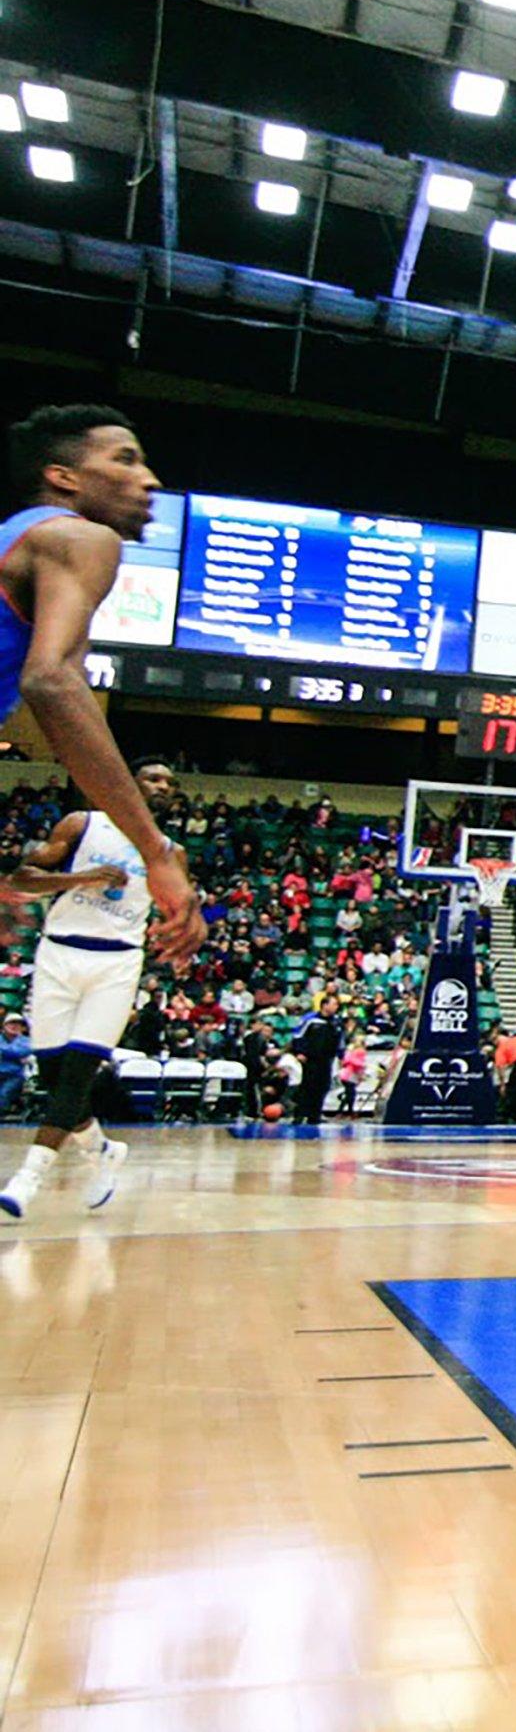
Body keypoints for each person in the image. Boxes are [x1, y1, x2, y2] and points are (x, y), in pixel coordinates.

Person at [0, 410, 200, 964]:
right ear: (64, 477)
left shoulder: (20, 537)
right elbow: (51, 680)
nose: (150, 480)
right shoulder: (80, 537)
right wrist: (154, 850)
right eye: (125, 459)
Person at [0, 756, 182, 1220]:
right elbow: (21, 879)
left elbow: (181, 907)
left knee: (78, 1074)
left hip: (117, 963)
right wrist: (82, 878)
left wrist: (184, 922)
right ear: (128, 782)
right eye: (153, 778)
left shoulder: (169, 853)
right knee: (55, 1077)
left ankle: (28, 1178)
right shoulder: (83, 825)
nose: (162, 786)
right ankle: (100, 1149)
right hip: (58, 953)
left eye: (169, 782)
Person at [289, 999, 342, 1129]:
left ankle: (315, 1116)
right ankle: (299, 1115)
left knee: (323, 1086)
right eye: (333, 1004)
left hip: (327, 1059)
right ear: (324, 1005)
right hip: (310, 1058)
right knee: (307, 1086)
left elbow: (340, 1039)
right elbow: (297, 1035)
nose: (336, 1007)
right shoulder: (310, 1019)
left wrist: (340, 1055)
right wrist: (299, 1052)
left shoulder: (336, 1021)